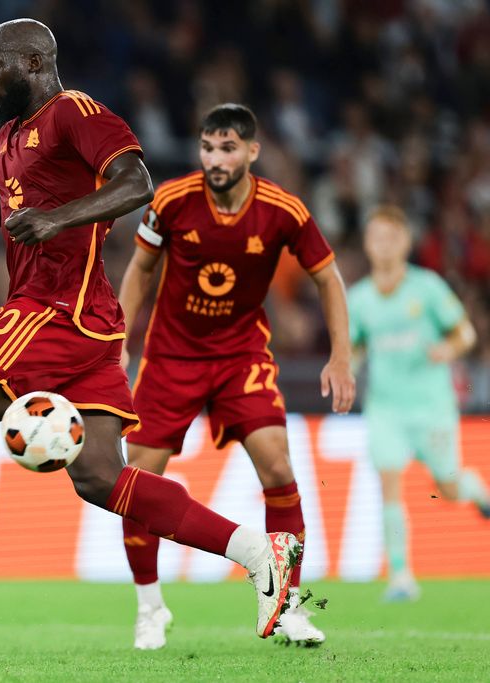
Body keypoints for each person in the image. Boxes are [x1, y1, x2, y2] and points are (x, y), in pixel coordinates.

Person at [0, 20, 300, 642]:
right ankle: (261, 553)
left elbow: (135, 183)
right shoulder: (11, 135)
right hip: (87, 325)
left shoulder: (76, 113)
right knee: (98, 478)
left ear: (35, 62)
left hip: (54, 309)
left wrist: (57, 219)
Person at [115, 103, 355, 649]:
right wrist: (119, 342)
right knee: (139, 480)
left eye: (227, 148)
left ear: (252, 151)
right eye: (207, 147)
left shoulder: (283, 210)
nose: (214, 158)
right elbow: (140, 271)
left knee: (277, 464)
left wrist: (340, 355)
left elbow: (330, 278)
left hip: (242, 356)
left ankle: (288, 604)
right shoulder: (173, 201)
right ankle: (150, 606)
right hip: (171, 358)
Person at [348, 205, 488, 602]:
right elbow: (355, 346)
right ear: (368, 243)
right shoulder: (359, 299)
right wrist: (347, 369)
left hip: (431, 406)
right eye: (377, 237)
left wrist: (449, 347)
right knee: (388, 484)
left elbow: (466, 333)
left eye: (392, 238)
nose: (384, 245)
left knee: (447, 486)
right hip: (386, 408)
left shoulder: (426, 288)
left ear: (405, 243)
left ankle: (474, 489)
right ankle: (400, 575)